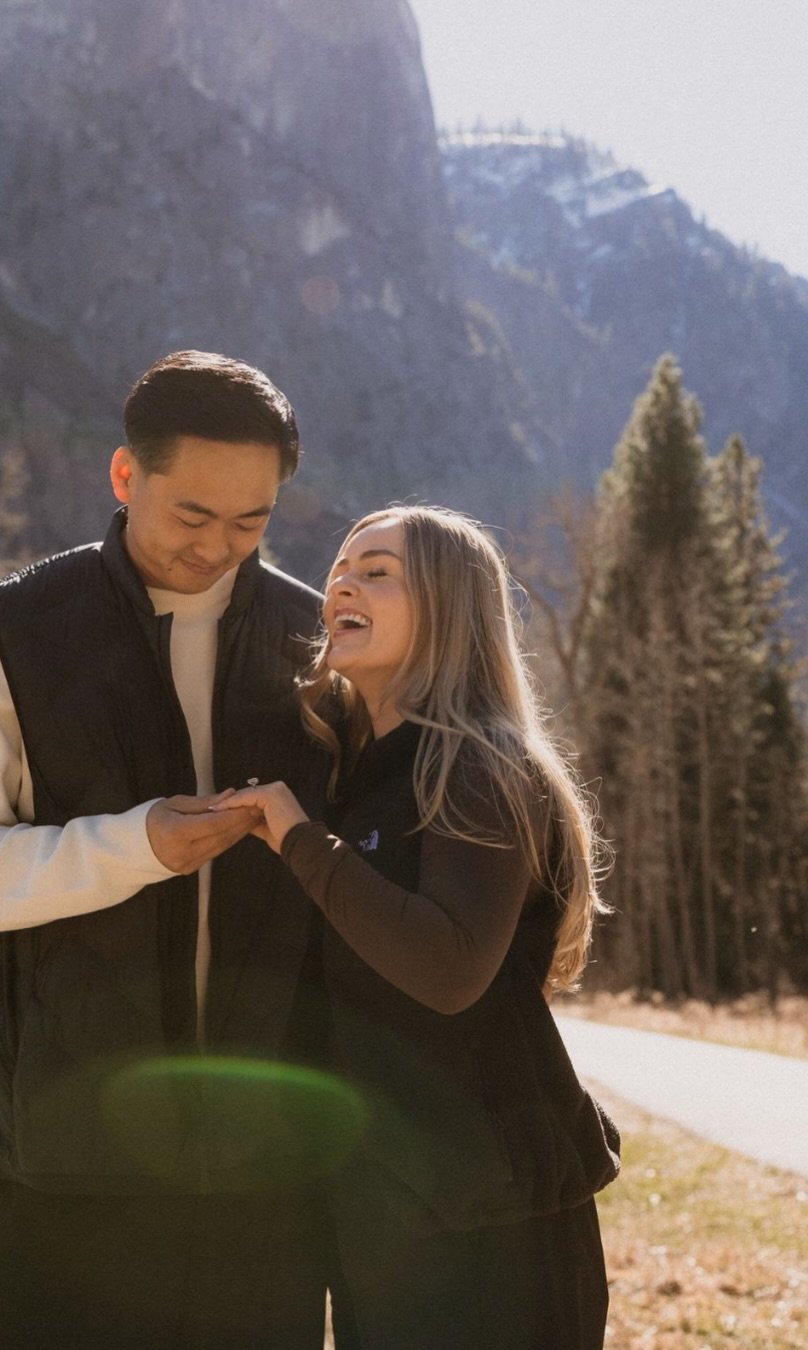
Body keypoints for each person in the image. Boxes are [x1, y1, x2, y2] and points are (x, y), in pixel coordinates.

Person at [0, 351, 339, 1349]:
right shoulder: (4, 632)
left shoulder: (318, 639)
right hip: (66, 1157)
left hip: (265, 1162)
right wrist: (132, 844)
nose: (220, 547)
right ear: (124, 475)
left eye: (253, 520)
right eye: (192, 515)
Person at [218, 505, 621, 1349]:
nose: (340, 585)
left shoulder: (478, 763)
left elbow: (450, 969)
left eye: (378, 571)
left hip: (494, 1220)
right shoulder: (349, 769)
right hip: (388, 1213)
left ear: (448, 605)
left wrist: (300, 839)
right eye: (340, 569)